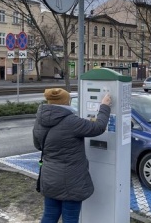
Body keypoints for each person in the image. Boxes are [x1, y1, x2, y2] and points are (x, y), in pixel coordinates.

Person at [33, 88, 112, 223]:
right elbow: (99, 127)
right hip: (71, 180)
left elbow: (38, 145)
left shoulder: (40, 120)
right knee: (70, 218)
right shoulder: (72, 121)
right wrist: (104, 106)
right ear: (66, 102)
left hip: (49, 177)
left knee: (49, 215)